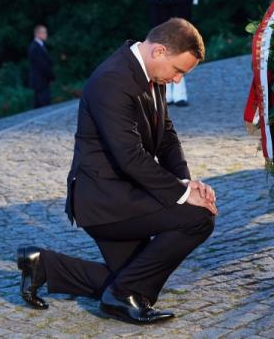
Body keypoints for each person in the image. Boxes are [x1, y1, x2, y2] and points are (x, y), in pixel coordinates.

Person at [16, 18, 218, 325]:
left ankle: (44, 266)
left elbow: (166, 137)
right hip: (104, 200)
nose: (178, 80)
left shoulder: (150, 74)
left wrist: (188, 181)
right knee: (199, 218)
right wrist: (185, 195)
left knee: (133, 280)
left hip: (123, 193)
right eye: (179, 70)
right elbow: (130, 157)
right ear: (159, 51)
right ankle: (121, 296)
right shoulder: (112, 79)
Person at [28, 24, 54, 108]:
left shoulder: (39, 46)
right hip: (40, 81)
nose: (46, 35)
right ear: (37, 34)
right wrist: (51, 76)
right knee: (43, 106)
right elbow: (43, 66)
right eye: (44, 32)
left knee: (41, 105)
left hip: (42, 81)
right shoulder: (35, 47)